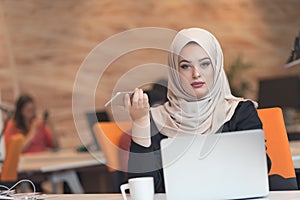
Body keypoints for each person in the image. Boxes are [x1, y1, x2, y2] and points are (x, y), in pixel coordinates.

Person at [125, 28, 272, 192]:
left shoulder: (240, 112)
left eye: (205, 64)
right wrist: (140, 123)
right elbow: (143, 186)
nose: (196, 74)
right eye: (186, 66)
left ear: (216, 67)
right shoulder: (155, 118)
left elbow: (259, 169)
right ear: (174, 72)